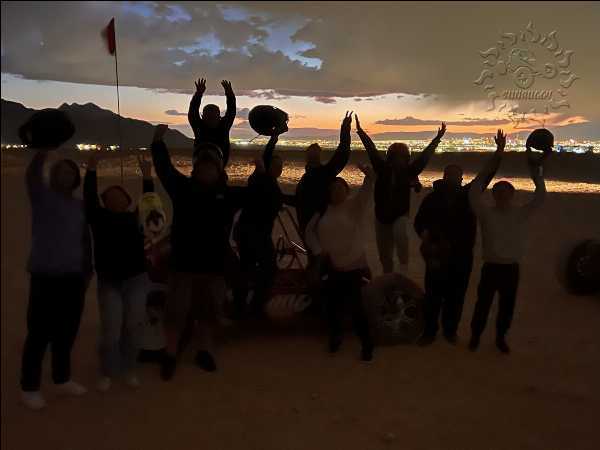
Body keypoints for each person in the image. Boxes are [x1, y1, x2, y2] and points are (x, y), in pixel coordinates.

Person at [150, 124, 245, 380]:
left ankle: (204, 350)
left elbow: (259, 196)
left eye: (212, 166)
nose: (207, 170)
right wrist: (157, 142)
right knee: (175, 312)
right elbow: (164, 168)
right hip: (183, 264)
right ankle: (170, 353)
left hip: (214, 266)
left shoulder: (228, 195)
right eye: (202, 166)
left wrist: (262, 172)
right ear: (195, 167)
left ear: (219, 169)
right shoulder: (182, 188)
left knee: (208, 312)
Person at [19, 109, 93, 410]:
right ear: (53, 176)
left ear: (75, 179)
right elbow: (32, 175)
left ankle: (62, 378)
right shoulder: (41, 196)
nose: (66, 175)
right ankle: (29, 387)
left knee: (66, 331)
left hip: (73, 277)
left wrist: (87, 272)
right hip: (45, 274)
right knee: (39, 333)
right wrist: (43, 150)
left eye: (70, 172)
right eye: (61, 171)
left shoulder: (79, 206)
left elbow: (84, 241)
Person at [413, 132, 502, 346]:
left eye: (457, 176)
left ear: (461, 179)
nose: (453, 179)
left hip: (462, 255)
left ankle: (450, 331)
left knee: (456, 295)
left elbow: (485, 176)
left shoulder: (468, 195)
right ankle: (430, 331)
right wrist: (425, 235)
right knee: (433, 294)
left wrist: (498, 152)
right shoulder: (431, 198)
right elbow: (419, 222)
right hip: (436, 253)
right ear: (444, 177)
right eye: (450, 175)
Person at [468, 130, 548, 354]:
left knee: (507, 306)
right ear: (494, 195)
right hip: (491, 267)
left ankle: (500, 338)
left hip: (511, 268)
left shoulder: (520, 213)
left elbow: (541, 195)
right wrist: (498, 153)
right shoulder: (486, 213)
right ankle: (475, 336)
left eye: (506, 191)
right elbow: (475, 188)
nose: (502, 195)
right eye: (499, 192)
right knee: (482, 304)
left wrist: (536, 169)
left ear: (512, 195)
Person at [84, 152, 154, 391]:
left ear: (127, 200)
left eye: (120, 194)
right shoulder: (99, 217)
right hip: (109, 282)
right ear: (104, 202)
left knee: (133, 326)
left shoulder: (137, 218)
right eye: (110, 195)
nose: (115, 197)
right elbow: (89, 196)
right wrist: (92, 167)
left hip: (136, 279)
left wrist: (147, 175)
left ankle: (129, 368)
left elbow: (149, 202)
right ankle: (108, 371)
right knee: (111, 330)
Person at [355, 116, 446, 274]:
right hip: (381, 218)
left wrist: (437, 138)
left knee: (400, 232)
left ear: (406, 159)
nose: (399, 161)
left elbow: (425, 157)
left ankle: (403, 265)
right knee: (384, 256)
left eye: (402, 157)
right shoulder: (382, 168)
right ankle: (389, 276)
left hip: (400, 215)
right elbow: (371, 149)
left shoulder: (410, 171)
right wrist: (360, 131)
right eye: (396, 157)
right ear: (390, 158)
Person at [305, 164, 376, 361]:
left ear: (347, 191)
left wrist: (369, 176)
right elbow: (309, 232)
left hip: (353, 265)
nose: (336, 192)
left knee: (356, 308)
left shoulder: (354, 207)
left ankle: (366, 343)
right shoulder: (323, 210)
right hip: (332, 265)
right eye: (333, 189)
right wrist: (319, 251)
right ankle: (335, 337)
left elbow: (367, 191)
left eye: (340, 188)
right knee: (332, 305)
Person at [232, 125, 294, 318]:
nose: (279, 168)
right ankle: (253, 307)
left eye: (281, 166)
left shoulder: (269, 181)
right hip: (252, 233)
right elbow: (271, 194)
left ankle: (243, 307)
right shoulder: (260, 178)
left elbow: (278, 198)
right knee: (267, 269)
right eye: (275, 165)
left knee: (249, 268)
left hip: (253, 233)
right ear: (268, 166)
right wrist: (273, 138)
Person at [295, 112, 353, 238]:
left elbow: (342, 153)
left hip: (315, 227)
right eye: (313, 153)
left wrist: (345, 128)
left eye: (314, 153)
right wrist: (345, 128)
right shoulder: (320, 174)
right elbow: (343, 152)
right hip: (311, 227)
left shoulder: (321, 174)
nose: (313, 155)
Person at [188, 78, 236, 167]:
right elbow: (193, 110)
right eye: (209, 116)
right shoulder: (199, 126)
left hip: (219, 170)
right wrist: (198, 94)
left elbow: (231, 110)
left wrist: (229, 94)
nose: (211, 118)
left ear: (219, 117)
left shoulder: (223, 126)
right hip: (199, 169)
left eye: (213, 116)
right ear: (203, 117)